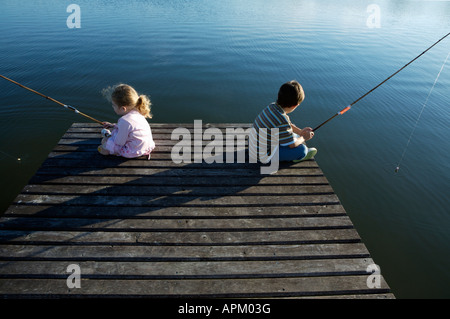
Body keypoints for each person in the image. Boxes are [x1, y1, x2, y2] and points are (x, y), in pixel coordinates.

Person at [250, 80, 317, 163]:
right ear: (295, 106)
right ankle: (300, 156)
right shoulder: (282, 119)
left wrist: (300, 132)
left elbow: (288, 125)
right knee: (301, 150)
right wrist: (303, 137)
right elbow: (292, 145)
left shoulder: (272, 106)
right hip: (262, 156)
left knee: (293, 135)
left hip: (253, 147)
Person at [98, 84, 155, 159]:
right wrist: (113, 126)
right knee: (112, 132)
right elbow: (130, 128)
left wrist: (109, 138)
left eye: (114, 105)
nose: (112, 107)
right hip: (147, 146)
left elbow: (119, 142)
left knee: (103, 145)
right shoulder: (137, 112)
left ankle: (108, 145)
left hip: (133, 151)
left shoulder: (124, 121)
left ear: (123, 108)